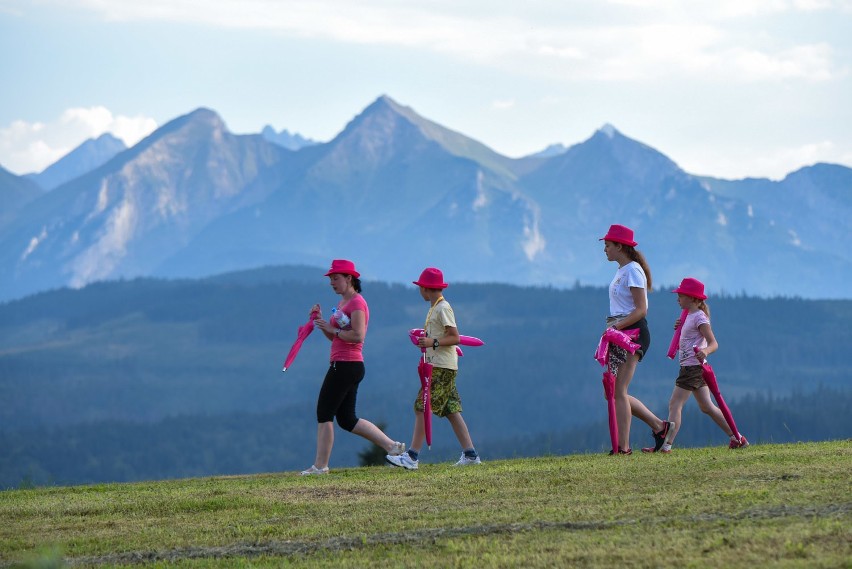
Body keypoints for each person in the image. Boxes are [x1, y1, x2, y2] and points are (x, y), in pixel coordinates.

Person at [300, 259, 406, 475]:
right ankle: (392, 447)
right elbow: (335, 337)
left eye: (336, 278)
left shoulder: (357, 303)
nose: (332, 282)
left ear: (349, 278)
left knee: (324, 413)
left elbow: (358, 335)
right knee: (347, 420)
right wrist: (321, 323)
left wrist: (333, 329)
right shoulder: (342, 304)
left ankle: (320, 466)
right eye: (331, 279)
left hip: (346, 365)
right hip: (347, 364)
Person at [385, 267, 481, 470]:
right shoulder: (435, 307)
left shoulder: (442, 308)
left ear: (427, 289)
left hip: (441, 367)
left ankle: (411, 457)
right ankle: (471, 455)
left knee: (422, 406)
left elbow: (454, 337)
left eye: (420, 287)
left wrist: (432, 343)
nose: (420, 291)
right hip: (441, 366)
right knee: (451, 410)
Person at [645, 277, 749, 453]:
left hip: (692, 367)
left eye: (681, 295)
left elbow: (713, 343)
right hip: (693, 367)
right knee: (706, 406)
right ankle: (737, 437)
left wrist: (706, 351)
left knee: (675, 404)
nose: (677, 299)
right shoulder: (688, 316)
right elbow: (687, 340)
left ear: (693, 298)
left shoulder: (700, 318)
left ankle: (666, 444)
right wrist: (680, 328)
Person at [601, 224, 674, 455]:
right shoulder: (624, 270)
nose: (605, 250)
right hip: (621, 331)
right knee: (612, 392)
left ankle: (623, 447)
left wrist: (617, 328)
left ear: (619, 246)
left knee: (619, 390)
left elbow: (641, 309)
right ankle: (660, 427)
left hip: (631, 333)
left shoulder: (632, 270)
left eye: (608, 246)